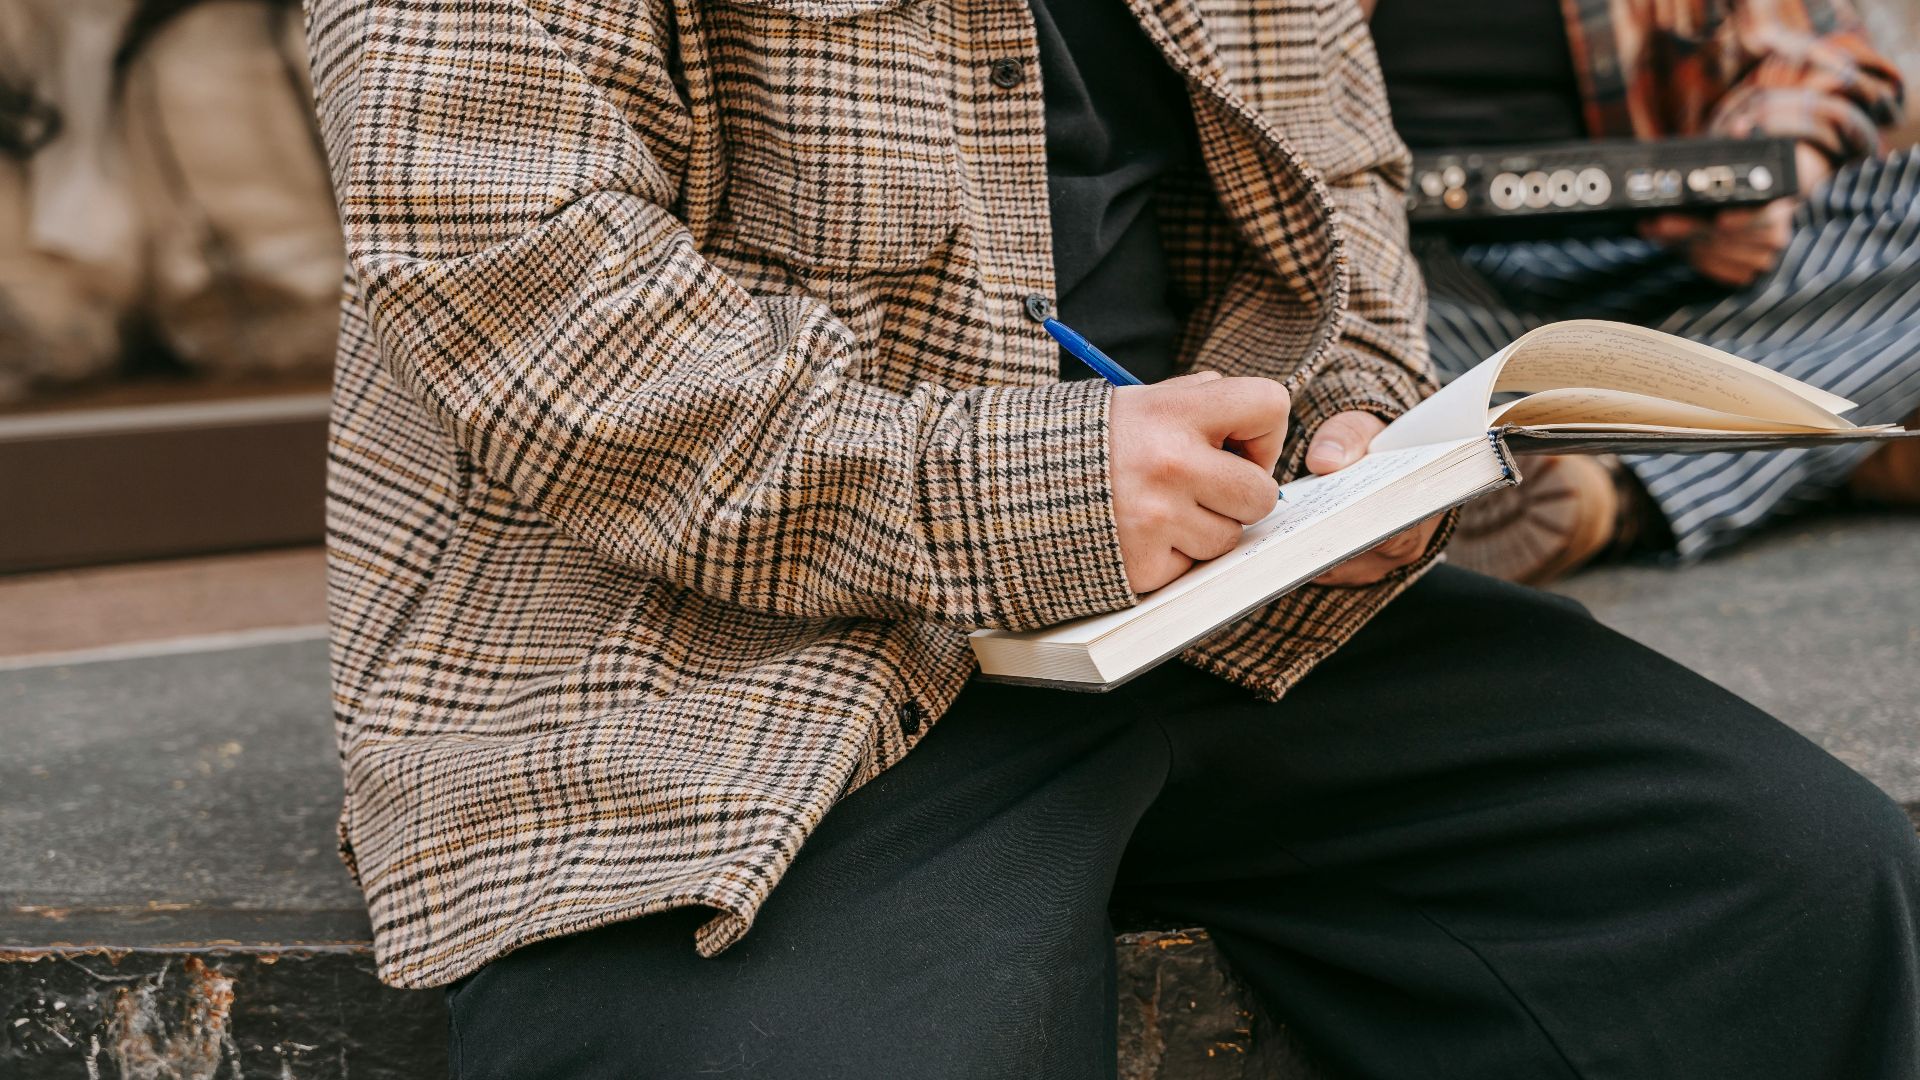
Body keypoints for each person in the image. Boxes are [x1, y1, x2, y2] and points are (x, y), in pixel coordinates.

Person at [306, 0, 1920, 1075]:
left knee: (1802, 890)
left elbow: (1343, 181)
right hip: (710, 660)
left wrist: (1355, 433)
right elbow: (501, 263)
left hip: (1229, 601)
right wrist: (1035, 487)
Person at [1370, 0, 1920, 584]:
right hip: (1422, 282)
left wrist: (1774, 171)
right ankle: (1813, 436)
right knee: (1329, 311)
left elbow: (1818, 49)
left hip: (1671, 258)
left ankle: (1606, 467)